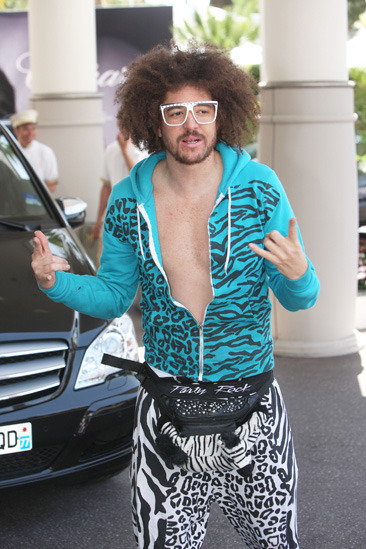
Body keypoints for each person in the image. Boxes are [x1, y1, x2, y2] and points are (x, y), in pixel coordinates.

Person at [31, 42, 320, 549]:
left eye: (204, 110)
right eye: (175, 112)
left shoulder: (260, 188)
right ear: (154, 120)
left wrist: (299, 274)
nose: (192, 124)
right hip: (165, 408)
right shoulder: (128, 199)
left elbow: (298, 299)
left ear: (221, 114)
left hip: (252, 409)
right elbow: (115, 296)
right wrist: (57, 284)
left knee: (277, 544)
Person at [92, 130, 145, 239]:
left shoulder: (144, 148)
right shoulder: (111, 149)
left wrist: (124, 151)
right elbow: (106, 187)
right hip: (115, 215)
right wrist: (98, 220)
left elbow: (138, 179)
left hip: (137, 216)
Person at [10, 109, 58, 193]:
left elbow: (51, 185)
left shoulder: (45, 152)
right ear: (16, 131)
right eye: (25, 129)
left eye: (33, 128)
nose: (30, 133)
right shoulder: (9, 151)